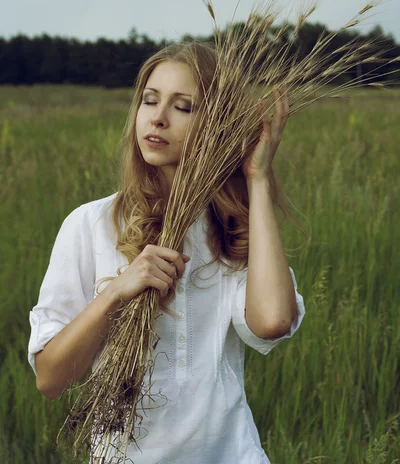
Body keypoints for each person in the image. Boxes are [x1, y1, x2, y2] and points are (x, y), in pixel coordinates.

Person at [28, 40, 306, 464]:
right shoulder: (90, 224)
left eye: (183, 106)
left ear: (216, 124)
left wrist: (259, 178)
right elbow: (50, 378)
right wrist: (116, 294)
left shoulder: (233, 228)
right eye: (150, 100)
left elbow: (272, 322)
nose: (157, 118)